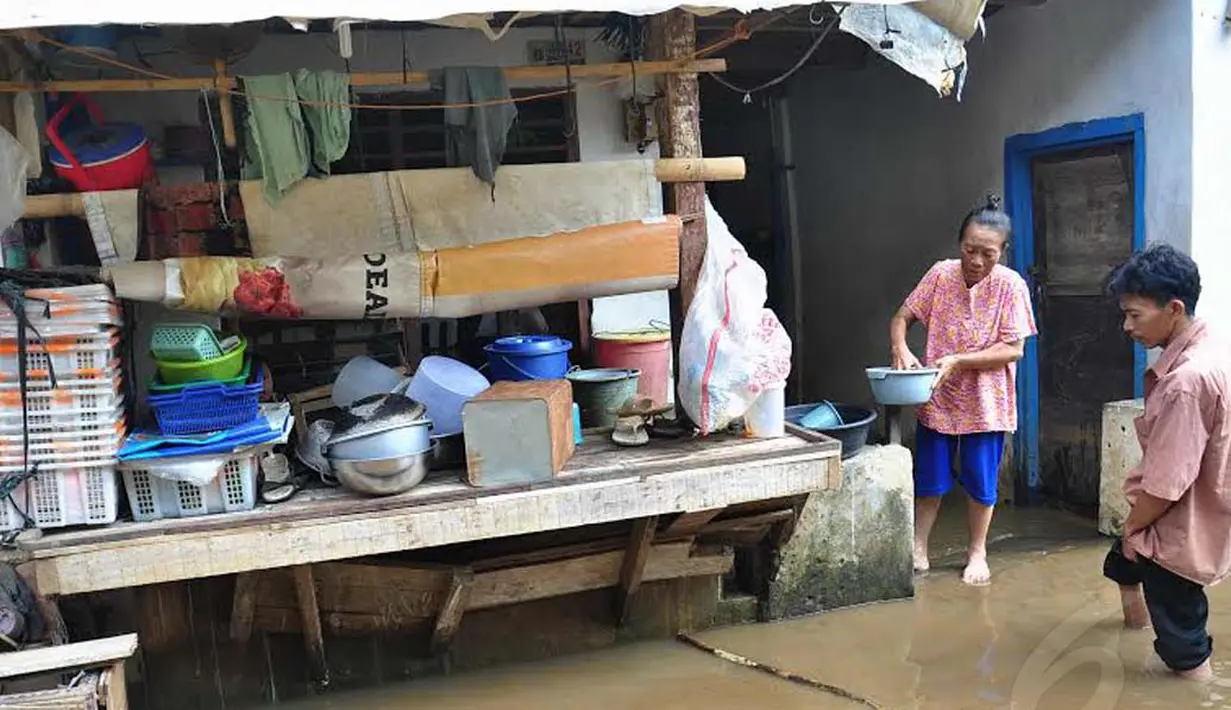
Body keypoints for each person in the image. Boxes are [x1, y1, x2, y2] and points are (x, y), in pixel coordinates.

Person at [888, 194, 1037, 587]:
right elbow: (903, 317)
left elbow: (1014, 348)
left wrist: (959, 360)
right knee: (931, 478)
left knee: (980, 482)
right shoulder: (940, 275)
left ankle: (977, 552)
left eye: (987, 253)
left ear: (1002, 253)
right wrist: (900, 347)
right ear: (959, 245)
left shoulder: (1011, 286)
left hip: (987, 405)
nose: (976, 260)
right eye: (970, 250)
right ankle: (919, 547)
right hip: (938, 398)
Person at [1101, 243, 1231, 681]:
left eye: (1135, 315)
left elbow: (1165, 487)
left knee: (1185, 649)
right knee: (1120, 561)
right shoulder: (1214, 344)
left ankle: (1197, 692)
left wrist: (1135, 526)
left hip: (1175, 525)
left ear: (1174, 308)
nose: (1127, 326)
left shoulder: (1185, 383)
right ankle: (1136, 620)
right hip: (1202, 504)